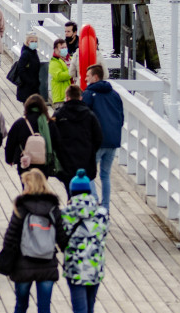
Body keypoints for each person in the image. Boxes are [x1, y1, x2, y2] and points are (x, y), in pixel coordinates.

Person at [0, 168, 67, 313]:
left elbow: (11, 237)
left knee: (21, 305)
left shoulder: (22, 206)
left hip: (24, 263)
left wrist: (7, 260)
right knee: (44, 310)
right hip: (47, 264)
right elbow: (62, 238)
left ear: (29, 184)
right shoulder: (53, 208)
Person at [60, 170, 110, 313]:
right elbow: (104, 234)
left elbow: (62, 236)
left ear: (72, 192)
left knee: (79, 309)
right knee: (90, 307)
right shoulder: (102, 214)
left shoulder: (66, 214)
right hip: (95, 266)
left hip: (75, 266)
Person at [82, 64, 124, 209]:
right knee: (105, 175)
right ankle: (105, 208)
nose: (85, 79)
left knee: (88, 173)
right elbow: (121, 118)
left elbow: (84, 117)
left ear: (95, 77)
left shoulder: (88, 94)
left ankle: (94, 202)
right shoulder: (115, 95)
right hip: (113, 141)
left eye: (87, 76)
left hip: (97, 141)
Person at [50, 86, 103, 194]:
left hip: (65, 161)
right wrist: (91, 150)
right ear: (80, 97)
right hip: (85, 160)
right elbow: (98, 138)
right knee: (84, 192)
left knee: (70, 192)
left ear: (67, 97)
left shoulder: (59, 115)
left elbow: (52, 137)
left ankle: (72, 206)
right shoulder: (89, 115)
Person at [5, 95, 57, 179]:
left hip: (25, 163)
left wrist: (9, 159)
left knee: (26, 189)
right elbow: (56, 142)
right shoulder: (49, 123)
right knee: (41, 189)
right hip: (44, 163)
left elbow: (11, 142)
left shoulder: (21, 122)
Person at [15, 32, 42, 104]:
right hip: (27, 87)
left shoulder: (34, 52)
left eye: (35, 41)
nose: (34, 43)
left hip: (33, 86)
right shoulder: (26, 54)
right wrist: (30, 82)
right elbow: (21, 69)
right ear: (27, 42)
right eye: (32, 41)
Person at [49, 38, 72, 107]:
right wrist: (72, 72)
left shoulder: (71, 59)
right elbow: (59, 76)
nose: (64, 49)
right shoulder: (54, 62)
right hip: (61, 98)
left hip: (71, 95)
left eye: (65, 47)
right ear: (55, 49)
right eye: (62, 48)